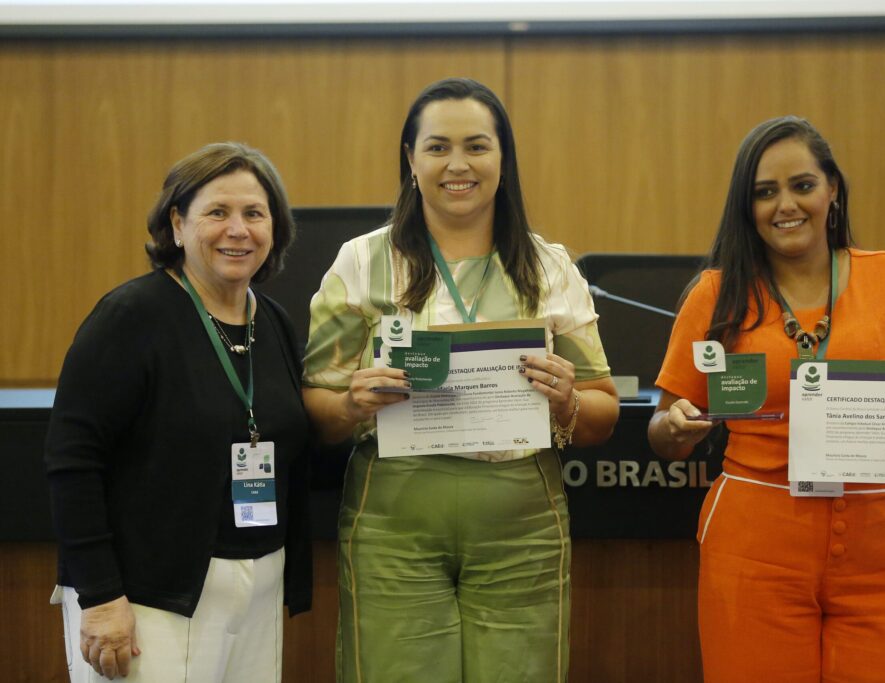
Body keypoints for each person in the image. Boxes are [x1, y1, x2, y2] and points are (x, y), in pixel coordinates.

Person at [648, 116, 885, 683]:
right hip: (753, 546)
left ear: (832, 190)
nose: (785, 204)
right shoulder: (715, 294)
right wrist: (676, 429)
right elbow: (664, 428)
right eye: (764, 192)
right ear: (747, 206)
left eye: (802, 185)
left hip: (884, 549)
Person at [303, 77, 619, 682]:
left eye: (477, 146)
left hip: (521, 523)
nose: (458, 164)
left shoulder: (548, 267)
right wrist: (351, 404)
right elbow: (313, 406)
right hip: (393, 520)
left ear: (503, 158)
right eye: (437, 147)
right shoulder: (363, 262)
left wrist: (567, 399)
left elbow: (603, 411)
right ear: (411, 160)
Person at [45, 142, 312, 682]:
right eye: (217, 212)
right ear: (176, 224)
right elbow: (72, 462)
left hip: (259, 585)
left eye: (254, 214)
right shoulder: (131, 316)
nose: (238, 230)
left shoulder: (275, 322)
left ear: (274, 229)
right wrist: (100, 597)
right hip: (147, 598)